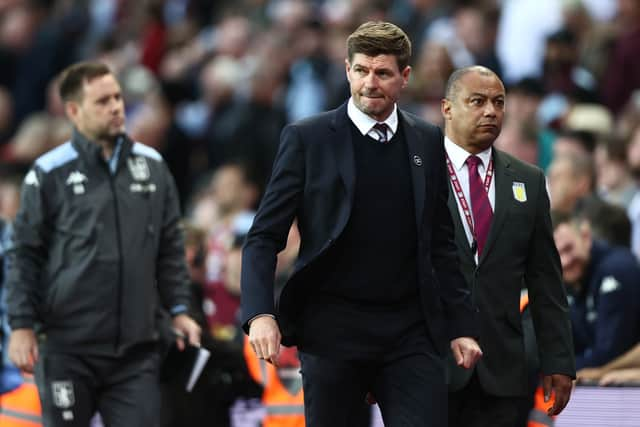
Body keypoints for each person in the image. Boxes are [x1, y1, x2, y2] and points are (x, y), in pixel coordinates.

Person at [241, 21, 482, 427]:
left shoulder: (426, 140)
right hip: (333, 331)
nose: (370, 83)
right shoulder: (307, 138)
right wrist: (260, 314)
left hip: (411, 333)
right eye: (361, 70)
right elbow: (264, 236)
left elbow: (441, 244)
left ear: (404, 77)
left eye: (383, 73)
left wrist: (461, 325)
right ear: (347, 70)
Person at [5, 61, 201, 427]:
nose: (115, 107)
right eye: (102, 101)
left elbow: (170, 247)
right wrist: (21, 325)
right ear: (74, 111)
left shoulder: (153, 166)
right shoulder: (48, 173)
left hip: (136, 350)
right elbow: (24, 254)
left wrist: (179, 309)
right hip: (67, 347)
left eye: (117, 97)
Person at [440, 65, 575, 427]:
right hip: (429, 365)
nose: (491, 111)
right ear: (447, 108)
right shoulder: (417, 170)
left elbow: (546, 277)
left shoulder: (529, 180)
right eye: (478, 101)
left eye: (499, 102)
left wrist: (558, 360)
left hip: (502, 368)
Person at [552, 211, 640, 371]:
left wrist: (559, 370)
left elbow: (610, 353)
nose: (565, 261)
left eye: (568, 249)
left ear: (585, 236)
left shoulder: (617, 269)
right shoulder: (567, 283)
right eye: (556, 256)